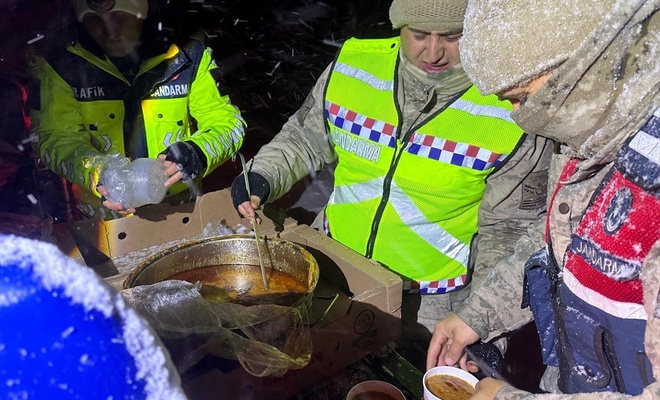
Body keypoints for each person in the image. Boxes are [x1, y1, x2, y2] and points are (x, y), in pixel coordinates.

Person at [230, 0, 552, 348]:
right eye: (418, 34)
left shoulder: (510, 104)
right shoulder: (354, 66)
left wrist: (480, 321)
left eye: (452, 36)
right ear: (399, 27)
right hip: (335, 269)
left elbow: (507, 231)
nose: (433, 52)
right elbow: (304, 138)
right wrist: (261, 175)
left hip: (432, 303)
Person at [427, 0, 660, 398]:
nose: (520, 117)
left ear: (587, 65)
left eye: (521, 97)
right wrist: (478, 315)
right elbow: (561, 238)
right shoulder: (595, 134)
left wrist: (505, 398)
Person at [30, 0, 245, 220]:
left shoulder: (189, 53)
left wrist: (198, 151)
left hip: (180, 211)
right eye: (94, 20)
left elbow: (228, 122)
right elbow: (54, 138)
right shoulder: (59, 62)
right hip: (102, 220)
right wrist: (99, 172)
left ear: (142, 12)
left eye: (120, 17)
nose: (110, 32)